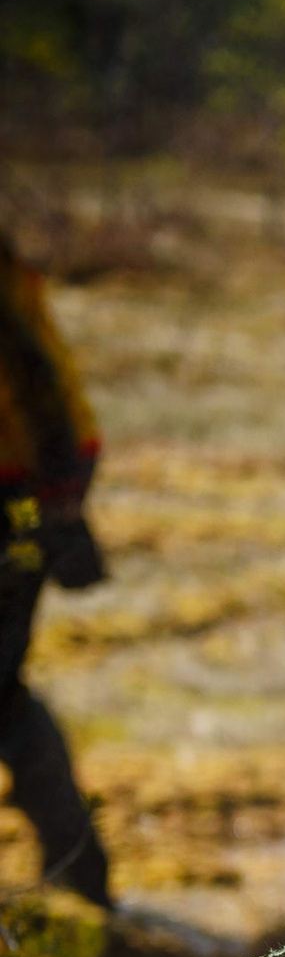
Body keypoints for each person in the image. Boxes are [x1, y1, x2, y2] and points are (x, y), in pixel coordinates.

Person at [0, 229, 110, 909]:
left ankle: (80, 875)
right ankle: (80, 872)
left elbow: (37, 381)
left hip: (20, 491)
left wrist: (55, 503)